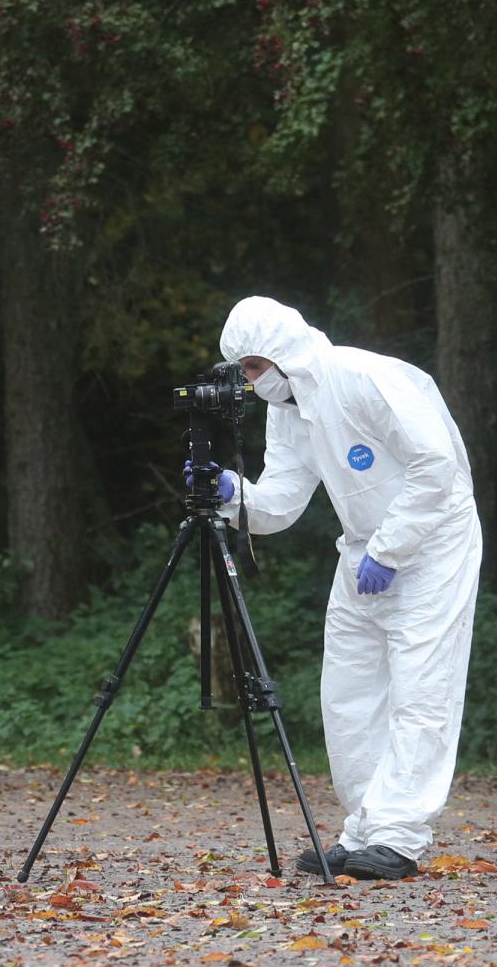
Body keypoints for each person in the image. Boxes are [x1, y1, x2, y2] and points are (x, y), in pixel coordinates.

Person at [205, 296, 482, 882]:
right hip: (363, 549)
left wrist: (391, 548)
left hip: (433, 543)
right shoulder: (290, 409)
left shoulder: (366, 378)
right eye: (246, 373)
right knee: (348, 692)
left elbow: (436, 468)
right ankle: (364, 830)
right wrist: (230, 493)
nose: (251, 384)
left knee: (420, 689)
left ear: (281, 353)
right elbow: (279, 503)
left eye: (254, 369)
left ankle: (399, 838)